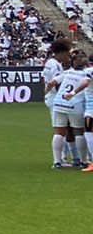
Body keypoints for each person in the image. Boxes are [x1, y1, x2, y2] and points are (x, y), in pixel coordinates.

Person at [50, 48, 91, 169]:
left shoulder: (67, 72)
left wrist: (47, 93)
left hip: (58, 103)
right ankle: (83, 161)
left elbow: (52, 82)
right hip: (74, 104)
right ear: (86, 64)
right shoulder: (86, 73)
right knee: (79, 132)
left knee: (58, 133)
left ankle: (57, 162)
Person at [45, 38, 71, 168]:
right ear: (61, 52)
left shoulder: (50, 63)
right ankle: (59, 160)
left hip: (51, 98)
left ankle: (61, 158)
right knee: (60, 130)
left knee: (61, 129)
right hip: (56, 99)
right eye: (67, 53)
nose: (68, 56)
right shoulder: (55, 65)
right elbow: (55, 84)